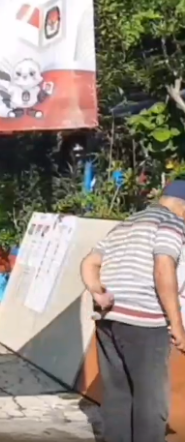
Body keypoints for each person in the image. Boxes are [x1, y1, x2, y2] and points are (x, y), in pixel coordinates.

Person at [80, 181, 185, 442]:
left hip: (109, 319)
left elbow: (89, 262)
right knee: (150, 399)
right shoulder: (172, 223)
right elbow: (163, 267)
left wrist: (97, 292)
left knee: (118, 395)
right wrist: (177, 324)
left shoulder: (127, 223)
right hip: (144, 322)